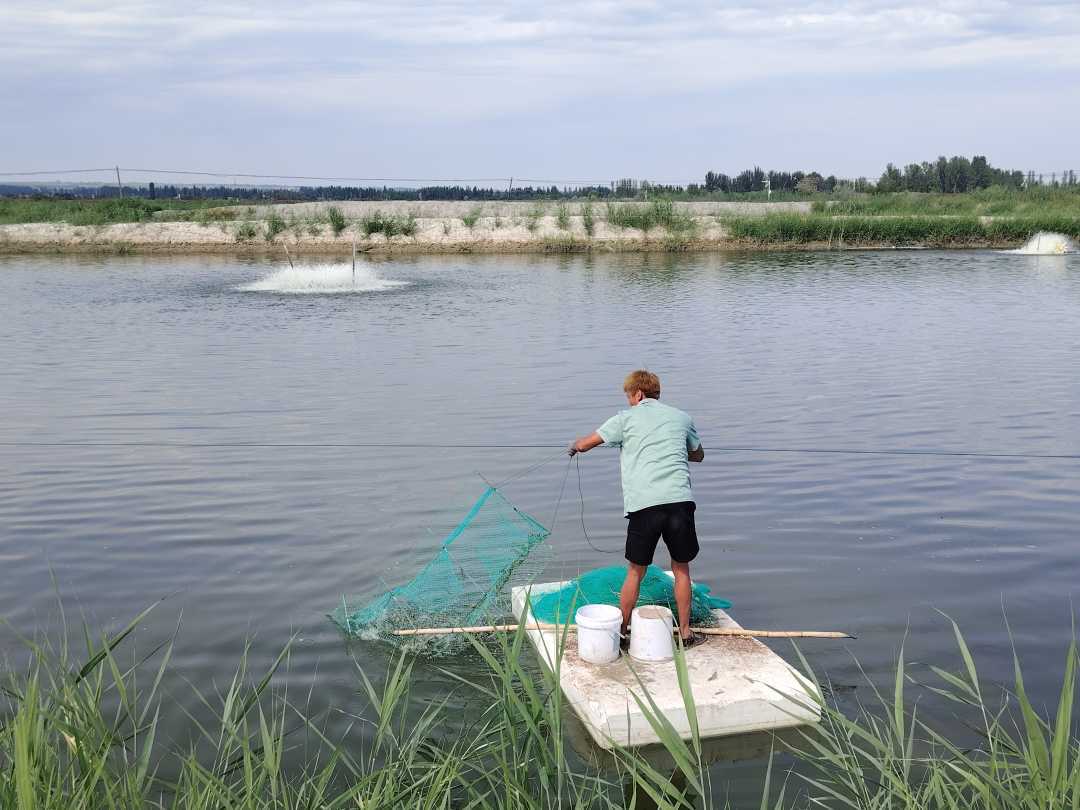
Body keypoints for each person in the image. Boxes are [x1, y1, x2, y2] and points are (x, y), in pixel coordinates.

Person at [568, 370, 706, 648]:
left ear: (638, 394)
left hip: (645, 506)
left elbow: (587, 443)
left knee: (635, 571)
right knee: (681, 568)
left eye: (630, 397)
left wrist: (574, 447)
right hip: (680, 502)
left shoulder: (624, 418)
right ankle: (687, 633)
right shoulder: (681, 417)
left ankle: (622, 631)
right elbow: (698, 455)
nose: (630, 401)